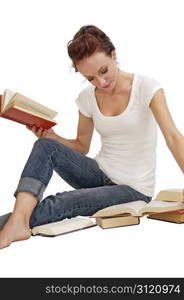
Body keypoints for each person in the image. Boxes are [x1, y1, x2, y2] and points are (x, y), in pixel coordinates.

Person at [0, 25, 184, 249]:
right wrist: (52, 137)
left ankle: (12, 224)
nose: (101, 82)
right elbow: (81, 146)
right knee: (45, 146)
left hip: (132, 189)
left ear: (114, 54)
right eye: (90, 78)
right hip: (98, 173)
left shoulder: (147, 87)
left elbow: (173, 138)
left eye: (104, 71)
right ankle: (18, 221)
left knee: (60, 202)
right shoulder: (87, 98)